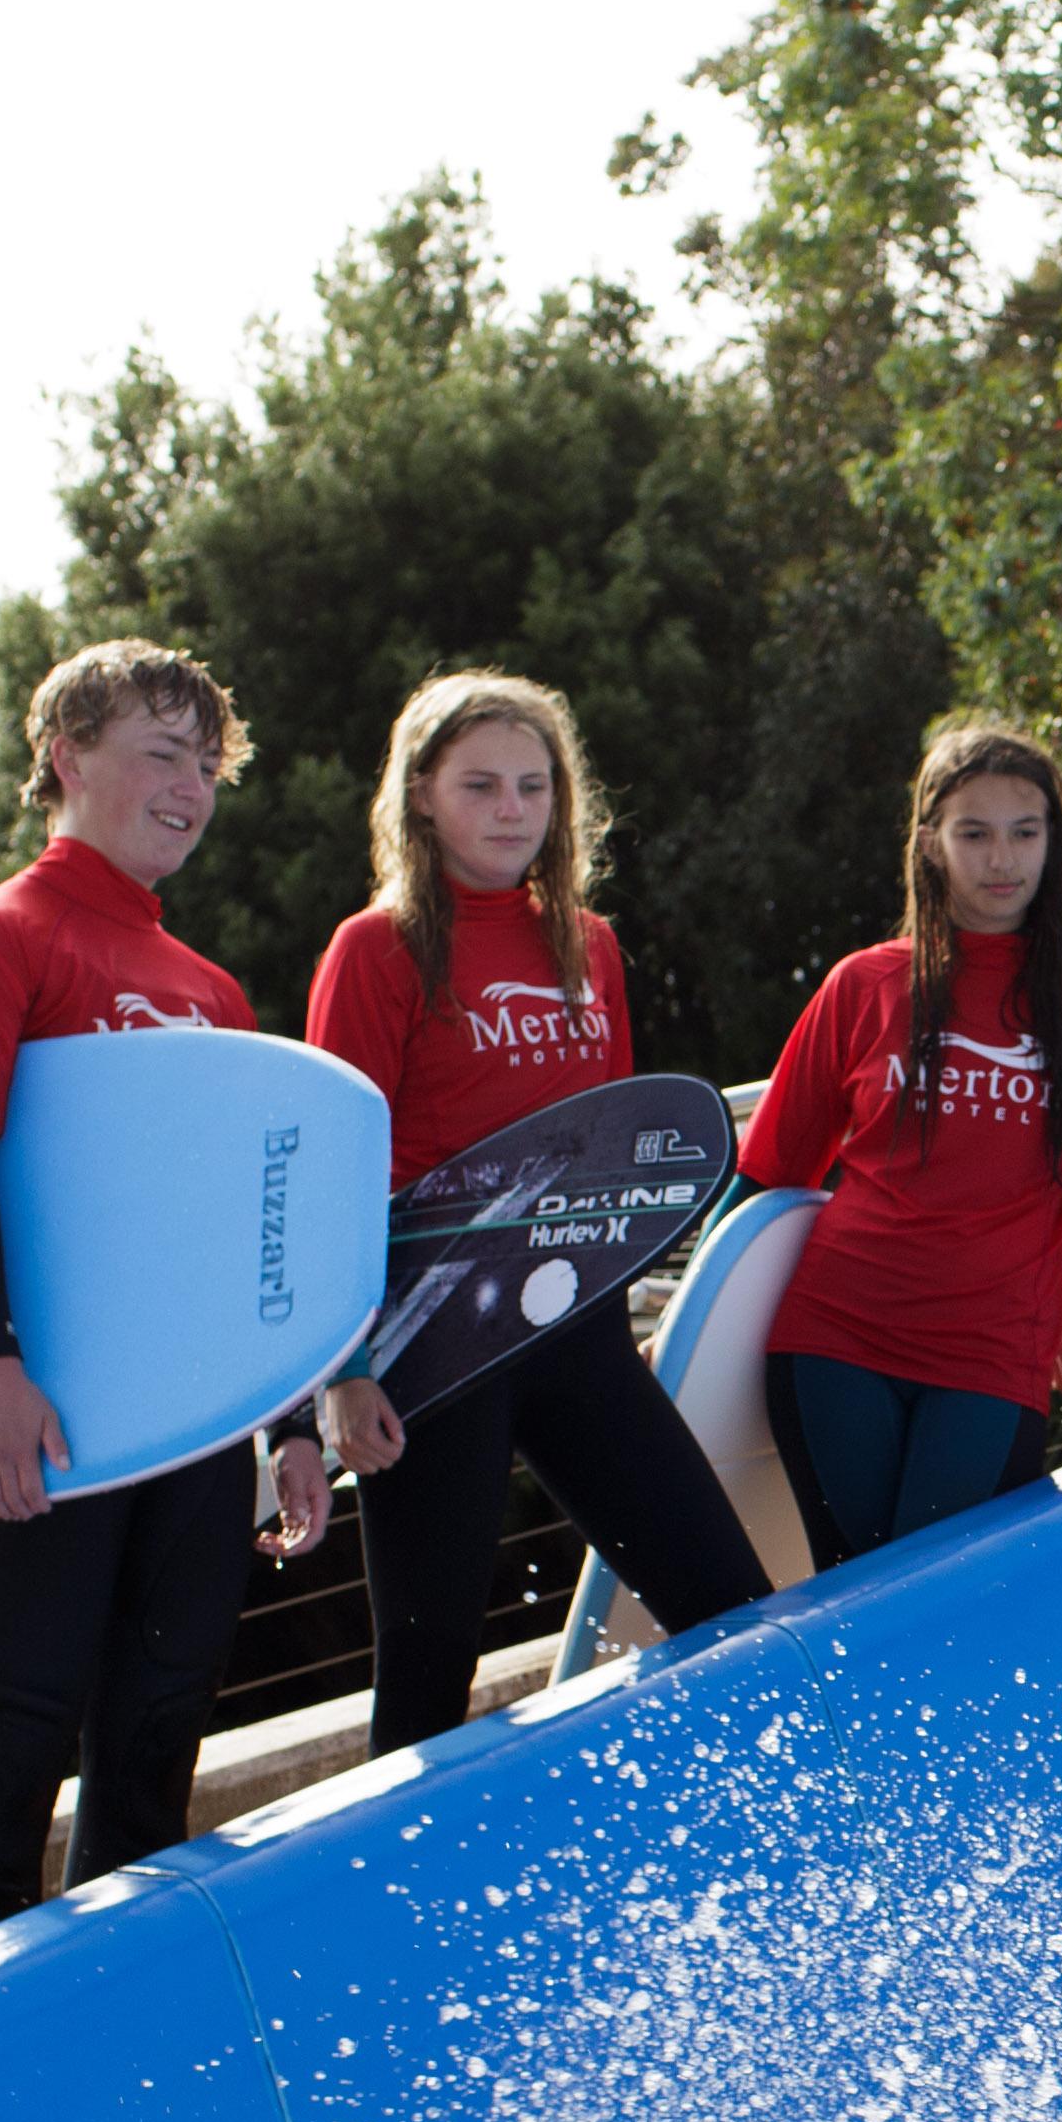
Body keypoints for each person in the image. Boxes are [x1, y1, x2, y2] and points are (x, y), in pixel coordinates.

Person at [0, 639, 337, 1949]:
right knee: (7, 1767)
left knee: (153, 1759)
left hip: (197, 1430)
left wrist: (292, 1420)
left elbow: (251, 1235)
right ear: (67, 757)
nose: (191, 786)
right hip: (54, 1417)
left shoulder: (210, 991)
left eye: (206, 765)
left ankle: (110, 2058)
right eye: (160, 753)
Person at [303, 672, 772, 1748]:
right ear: (420, 795)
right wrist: (346, 1371)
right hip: (431, 1354)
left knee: (726, 1603)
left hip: (577, 1335)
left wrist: (624, 1315)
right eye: (481, 786)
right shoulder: (374, 950)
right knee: (426, 1676)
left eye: (533, 785)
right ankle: (405, 1911)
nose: (512, 809)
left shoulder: (586, 943)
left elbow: (612, 1158)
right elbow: (338, 1174)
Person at [736, 717, 1062, 1561]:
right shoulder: (863, 984)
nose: (1001, 859)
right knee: (855, 1591)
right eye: (974, 834)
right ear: (930, 843)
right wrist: (687, 1325)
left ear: (1053, 843)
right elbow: (766, 1178)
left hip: (991, 1356)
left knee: (937, 1588)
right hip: (835, 1336)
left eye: (1024, 833)